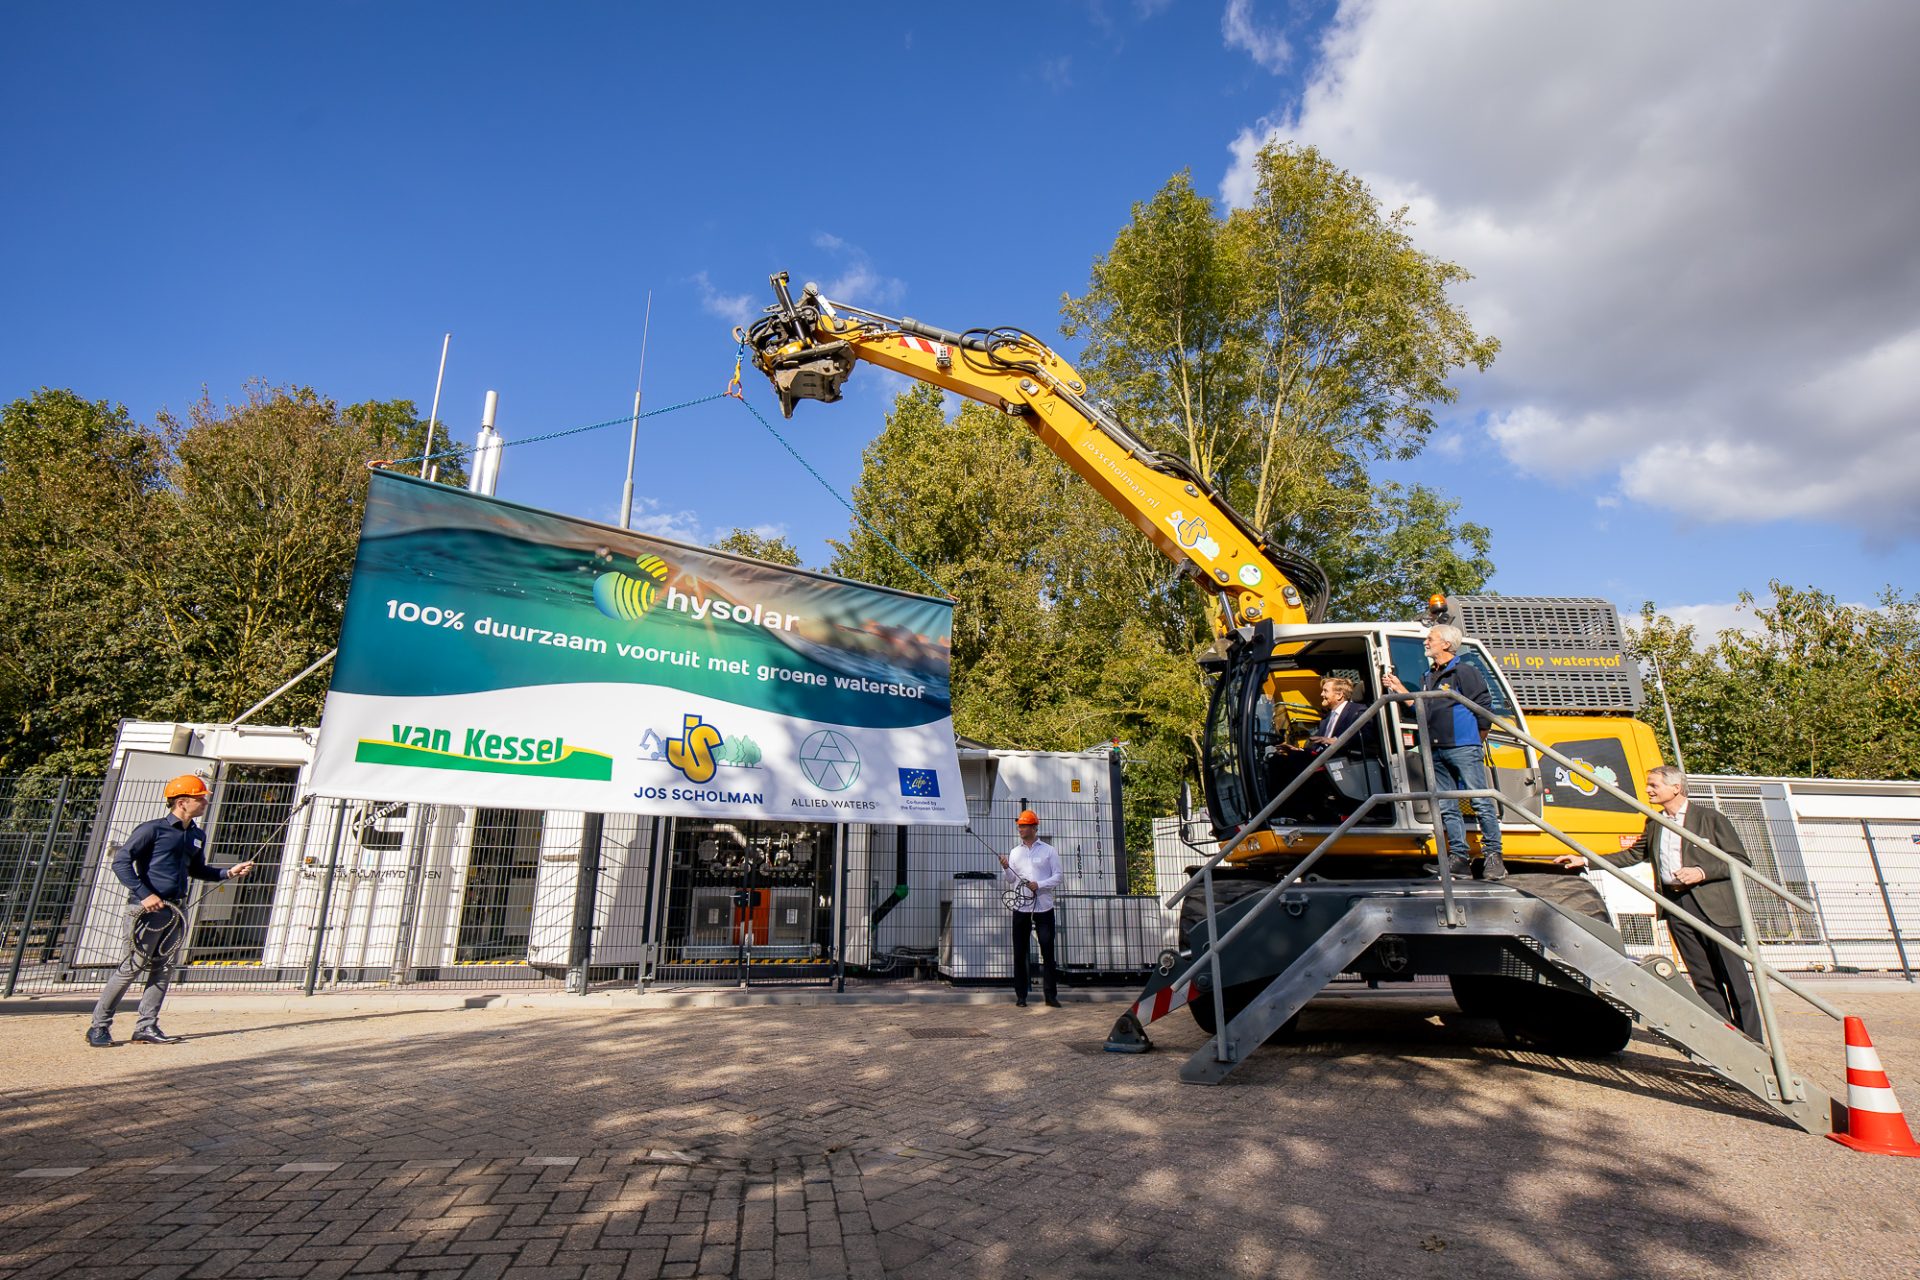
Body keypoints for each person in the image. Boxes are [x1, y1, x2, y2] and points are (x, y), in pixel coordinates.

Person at [1554, 766, 1761, 1038]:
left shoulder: (1710, 819)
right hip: (1677, 906)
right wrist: (1585, 860)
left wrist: (1700, 872)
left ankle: (1754, 1042)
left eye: (1654, 785)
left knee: (1734, 978)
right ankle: (1727, 1038)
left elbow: (1739, 861)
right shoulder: (1654, 822)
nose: (1649, 790)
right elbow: (1632, 856)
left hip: (1715, 908)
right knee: (1703, 978)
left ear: (1676, 788)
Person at [87, 774, 253, 1046]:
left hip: (177, 910)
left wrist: (227, 872)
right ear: (182, 801)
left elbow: (198, 870)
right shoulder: (152, 830)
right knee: (132, 966)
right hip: (147, 910)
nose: (204, 802)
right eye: (200, 798)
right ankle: (99, 1026)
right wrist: (144, 895)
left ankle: (147, 1026)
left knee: (163, 968)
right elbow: (121, 862)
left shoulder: (197, 834)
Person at [1381, 625, 1505, 880]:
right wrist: (1399, 688)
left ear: (1446, 644)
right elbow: (1420, 709)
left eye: (1430, 639)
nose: (1426, 642)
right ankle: (1459, 858)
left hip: (1462, 746)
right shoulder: (1429, 675)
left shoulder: (1464, 671)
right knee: (1447, 806)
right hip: (1435, 747)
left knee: (1480, 800)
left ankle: (1494, 857)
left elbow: (1483, 706)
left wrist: (1477, 738)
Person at [998, 809, 1062, 1008]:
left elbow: (1058, 877)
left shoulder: (1049, 850)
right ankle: (1021, 996)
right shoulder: (1015, 852)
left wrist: (1039, 884)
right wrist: (1005, 867)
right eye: (1019, 825)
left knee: (1048, 950)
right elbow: (1010, 880)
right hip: (1021, 908)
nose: (1020, 829)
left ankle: (1050, 996)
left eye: (1024, 825)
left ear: (1034, 827)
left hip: (1044, 908)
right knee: (1019, 952)